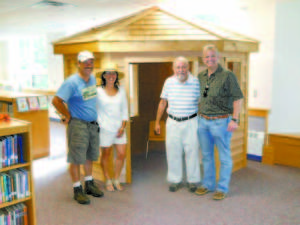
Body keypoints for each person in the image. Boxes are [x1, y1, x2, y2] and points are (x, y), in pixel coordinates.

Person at [52, 50, 104, 205]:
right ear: (79, 64)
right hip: (78, 124)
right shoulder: (71, 82)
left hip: (92, 124)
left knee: (89, 155)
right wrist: (67, 116)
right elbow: (56, 101)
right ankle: (77, 189)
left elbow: (88, 100)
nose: (89, 64)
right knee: (76, 158)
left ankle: (89, 184)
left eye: (91, 62)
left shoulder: (93, 79)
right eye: (85, 62)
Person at [195, 44, 244, 200]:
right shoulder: (200, 76)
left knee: (224, 157)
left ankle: (222, 188)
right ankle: (208, 184)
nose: (210, 59)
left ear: (218, 57)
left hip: (222, 122)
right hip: (203, 121)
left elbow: (238, 98)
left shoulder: (228, 75)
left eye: (213, 56)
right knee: (207, 156)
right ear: (203, 59)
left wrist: (235, 119)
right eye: (207, 57)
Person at [155, 56, 201, 193]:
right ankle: (175, 180)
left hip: (191, 121)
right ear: (173, 69)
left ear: (189, 68)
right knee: (173, 151)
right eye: (178, 67)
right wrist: (157, 122)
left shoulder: (196, 82)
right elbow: (163, 102)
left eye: (183, 67)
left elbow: (201, 103)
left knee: (192, 151)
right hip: (173, 122)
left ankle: (192, 181)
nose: (181, 70)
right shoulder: (168, 82)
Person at [96, 67, 129, 192]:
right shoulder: (97, 91)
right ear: (103, 76)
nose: (111, 76)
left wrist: (123, 126)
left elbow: (125, 110)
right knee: (106, 155)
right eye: (108, 73)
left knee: (121, 154)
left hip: (119, 128)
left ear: (116, 76)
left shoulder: (121, 90)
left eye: (113, 73)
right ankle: (107, 179)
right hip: (104, 129)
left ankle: (116, 179)